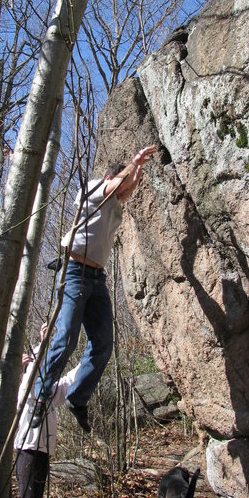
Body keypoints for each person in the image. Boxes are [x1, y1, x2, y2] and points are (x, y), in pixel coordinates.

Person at [33, 145, 157, 431]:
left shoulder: (116, 203)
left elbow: (126, 189)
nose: (124, 193)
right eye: (121, 185)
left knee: (103, 344)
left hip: (96, 278)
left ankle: (77, 397)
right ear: (108, 178)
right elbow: (117, 186)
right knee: (66, 340)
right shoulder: (92, 190)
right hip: (74, 271)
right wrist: (133, 162)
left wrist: (136, 173)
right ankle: (41, 394)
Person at [14, 323, 80, 498]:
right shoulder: (25, 392)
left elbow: (67, 382)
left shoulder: (48, 393)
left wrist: (90, 359)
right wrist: (43, 343)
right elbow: (32, 376)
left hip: (41, 452)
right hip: (27, 451)